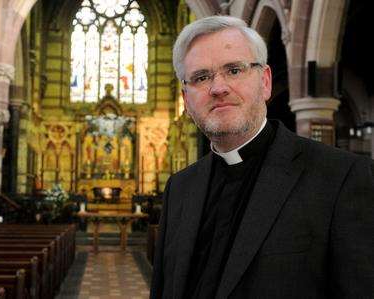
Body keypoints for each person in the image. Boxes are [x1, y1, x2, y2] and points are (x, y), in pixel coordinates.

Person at [150, 15, 374, 299]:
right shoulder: (179, 188)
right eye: (201, 77)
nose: (218, 87)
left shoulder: (341, 178)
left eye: (234, 70)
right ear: (186, 98)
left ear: (265, 81)